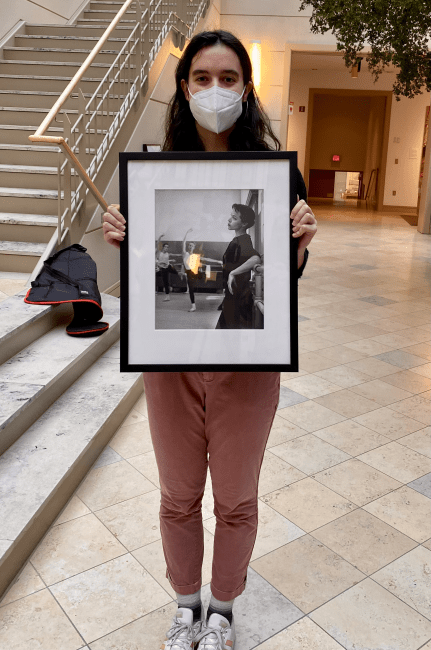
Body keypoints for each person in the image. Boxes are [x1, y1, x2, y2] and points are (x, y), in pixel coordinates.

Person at [102, 29, 317, 650]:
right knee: (177, 495)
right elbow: (145, 273)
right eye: (202, 78)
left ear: (246, 90)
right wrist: (124, 236)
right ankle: (185, 606)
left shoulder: (280, 176)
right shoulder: (154, 169)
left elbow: (285, 280)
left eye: (229, 79)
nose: (215, 90)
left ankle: (221, 610)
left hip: (249, 360)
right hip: (171, 366)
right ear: (183, 87)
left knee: (236, 497)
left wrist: (299, 243)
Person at [216, 202, 261, 329]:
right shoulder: (237, 240)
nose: (229, 220)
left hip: (238, 299)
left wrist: (233, 273)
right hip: (232, 297)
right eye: (231, 216)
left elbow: (256, 258)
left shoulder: (243, 240)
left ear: (244, 224)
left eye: (234, 218)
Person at [182, 228, 223, 312]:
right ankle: (193, 306)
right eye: (189, 245)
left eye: (192, 245)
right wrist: (187, 232)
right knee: (191, 289)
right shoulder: (185, 253)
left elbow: (207, 259)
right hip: (189, 273)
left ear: (193, 247)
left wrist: (218, 261)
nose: (190, 246)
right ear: (188, 246)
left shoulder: (195, 255)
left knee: (201, 271)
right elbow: (183, 242)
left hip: (195, 272)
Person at [155, 236, 180, 301]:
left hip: (168, 267)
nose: (167, 248)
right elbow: (157, 243)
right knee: (166, 283)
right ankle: (167, 297)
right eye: (166, 247)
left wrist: (182, 255)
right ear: (163, 247)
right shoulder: (159, 253)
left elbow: (176, 255)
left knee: (177, 272)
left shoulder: (168, 254)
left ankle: (183, 274)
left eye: (167, 247)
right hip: (163, 269)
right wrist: (160, 236)